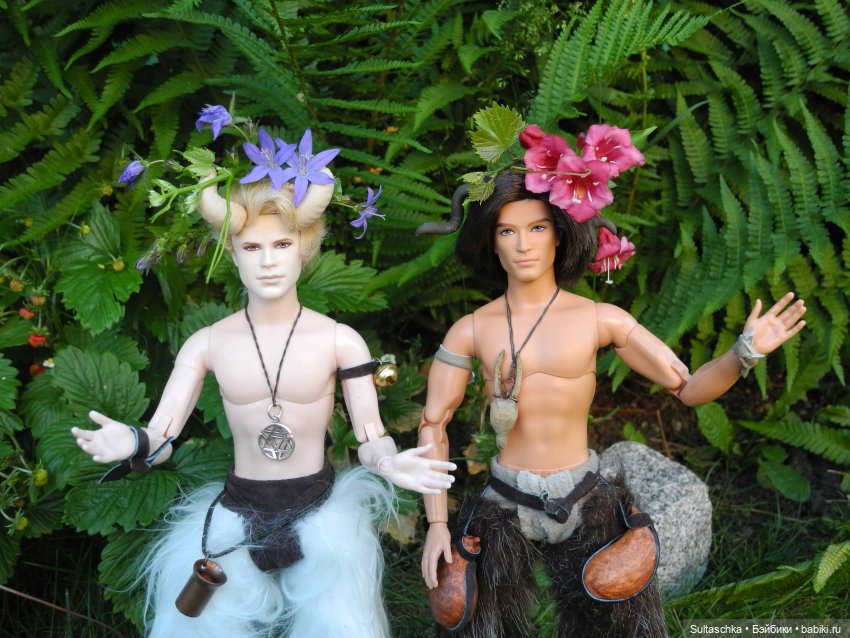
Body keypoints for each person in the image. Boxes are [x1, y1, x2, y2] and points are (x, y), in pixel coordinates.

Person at [417, 170, 807, 637]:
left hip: (584, 495)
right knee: (465, 609)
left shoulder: (600, 319)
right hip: (504, 498)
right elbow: (433, 423)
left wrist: (744, 352)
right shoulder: (471, 329)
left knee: (616, 606)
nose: (523, 244)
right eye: (507, 231)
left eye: (537, 227)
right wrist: (436, 523)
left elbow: (687, 387)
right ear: (491, 242)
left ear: (560, 234)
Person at [71, 172, 456, 638]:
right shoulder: (207, 343)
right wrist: (134, 441)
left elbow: (370, 435)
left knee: (342, 627)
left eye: (282, 244)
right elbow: (163, 436)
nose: (268, 261)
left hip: (321, 513)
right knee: (194, 627)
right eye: (252, 247)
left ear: (304, 248)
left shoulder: (340, 340)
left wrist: (390, 463)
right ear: (232, 253)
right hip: (235, 514)